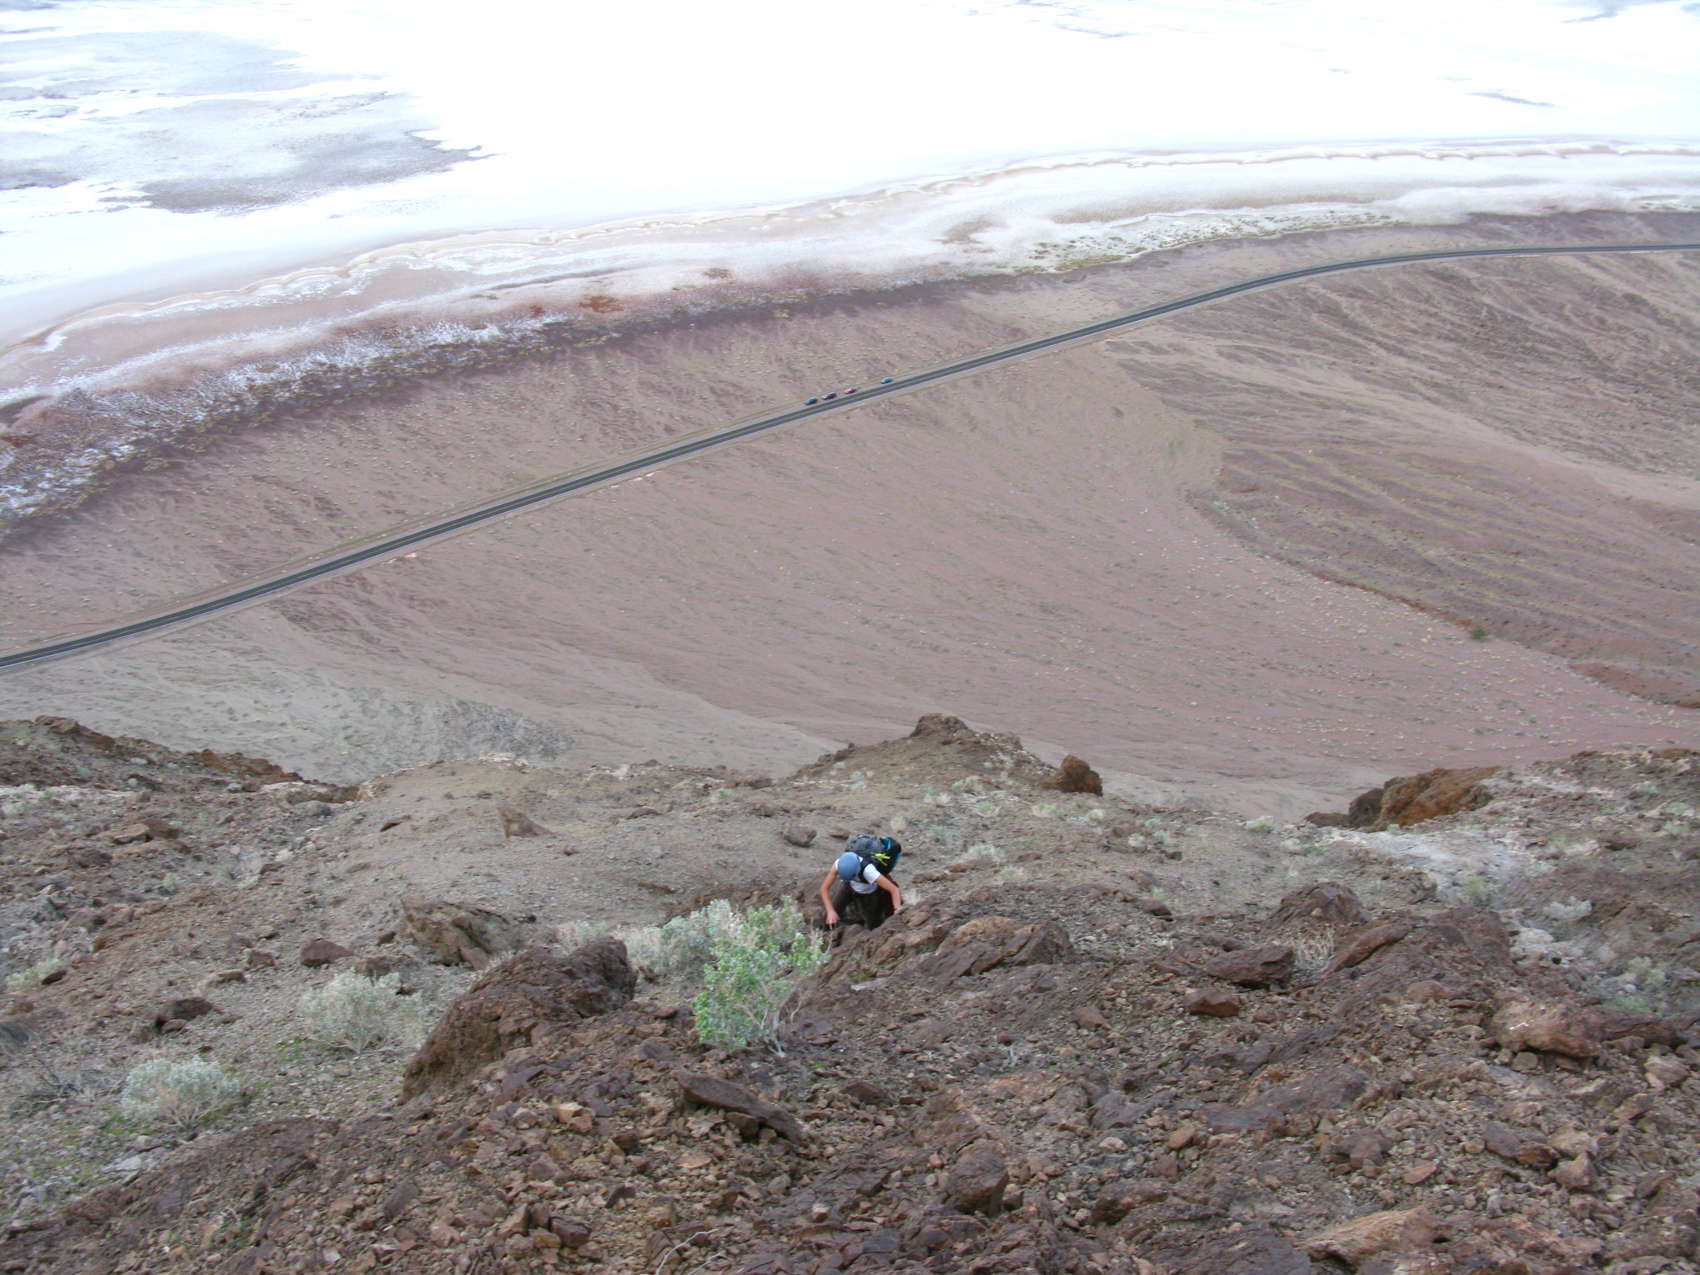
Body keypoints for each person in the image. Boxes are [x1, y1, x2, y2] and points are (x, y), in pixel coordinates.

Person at [820, 834, 903, 932]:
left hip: (869, 894)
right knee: (831, 913)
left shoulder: (869, 871)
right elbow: (824, 888)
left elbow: (894, 889)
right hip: (849, 887)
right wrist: (830, 911)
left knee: (873, 925)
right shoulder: (838, 864)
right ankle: (825, 934)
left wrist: (897, 909)